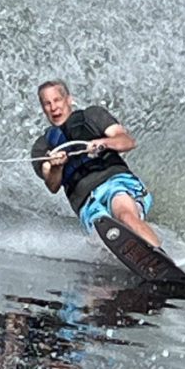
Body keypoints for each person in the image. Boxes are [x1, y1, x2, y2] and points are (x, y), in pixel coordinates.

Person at [30, 79, 162, 248]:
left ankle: (158, 255)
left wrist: (103, 143)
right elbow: (52, 185)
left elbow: (127, 141)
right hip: (86, 201)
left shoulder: (92, 116)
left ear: (68, 99)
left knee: (125, 216)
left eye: (57, 100)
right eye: (47, 103)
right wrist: (57, 166)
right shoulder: (42, 146)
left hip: (114, 181)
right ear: (43, 108)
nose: (53, 107)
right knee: (106, 240)